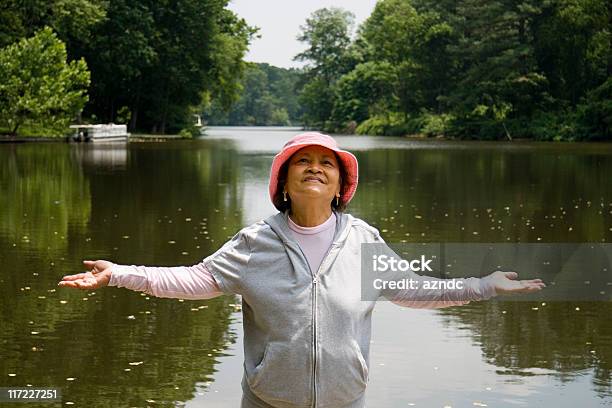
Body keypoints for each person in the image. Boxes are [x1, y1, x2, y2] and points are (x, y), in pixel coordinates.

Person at [58, 132, 546, 408]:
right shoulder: (255, 244)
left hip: (344, 402)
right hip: (268, 403)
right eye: (303, 162)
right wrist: (118, 272)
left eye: (326, 164)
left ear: (339, 187)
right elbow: (195, 280)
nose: (315, 167)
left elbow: (412, 289)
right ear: (284, 184)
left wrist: (484, 285)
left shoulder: (362, 240)